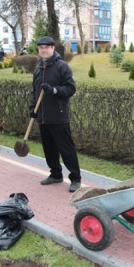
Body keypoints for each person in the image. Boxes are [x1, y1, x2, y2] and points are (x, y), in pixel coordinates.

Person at [29, 36, 81, 192]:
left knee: (66, 148)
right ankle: (56, 174)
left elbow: (71, 89)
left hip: (58, 116)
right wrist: (33, 109)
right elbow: (35, 92)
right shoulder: (38, 69)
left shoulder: (61, 66)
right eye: (41, 47)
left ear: (53, 48)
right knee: (49, 148)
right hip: (43, 116)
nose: (43, 50)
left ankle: (75, 178)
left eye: (47, 47)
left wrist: (55, 90)